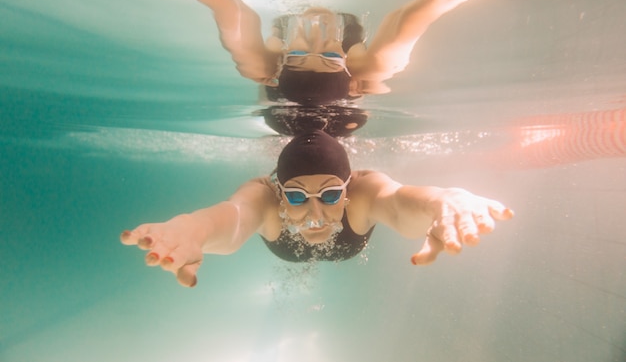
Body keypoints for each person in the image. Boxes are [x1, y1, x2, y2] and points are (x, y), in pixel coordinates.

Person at [121, 130, 514, 287]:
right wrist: (194, 230)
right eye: (295, 196)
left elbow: (396, 203)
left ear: (345, 191)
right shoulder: (265, 197)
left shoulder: (362, 192)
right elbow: (235, 217)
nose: (314, 213)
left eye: (328, 196)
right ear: (279, 192)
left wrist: (443, 201)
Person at [139, 0, 510, 105]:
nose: (316, 34)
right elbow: (402, 34)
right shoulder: (363, 69)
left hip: (287, 92)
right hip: (342, 93)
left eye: (299, 51)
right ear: (345, 60)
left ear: (283, 60)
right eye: (329, 54)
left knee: (254, 66)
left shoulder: (267, 67)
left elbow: (233, 13)